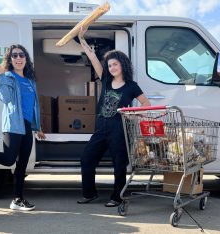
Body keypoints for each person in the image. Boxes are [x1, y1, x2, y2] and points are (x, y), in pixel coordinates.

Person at [77, 28, 151, 207]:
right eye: (109, 65)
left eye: (115, 64)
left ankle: (117, 197)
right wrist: (82, 38)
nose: (111, 68)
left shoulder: (132, 86)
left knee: (119, 165)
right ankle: (90, 194)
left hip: (119, 129)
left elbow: (146, 105)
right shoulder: (106, 80)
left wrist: (131, 113)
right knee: (86, 159)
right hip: (101, 127)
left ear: (122, 65)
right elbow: (93, 58)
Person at [0, 44, 45, 211]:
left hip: (27, 126)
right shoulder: (8, 76)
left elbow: (34, 106)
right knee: (8, 159)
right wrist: (1, 76)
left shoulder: (30, 81)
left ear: (26, 59)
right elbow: (6, 99)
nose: (18, 58)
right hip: (14, 125)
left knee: (22, 165)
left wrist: (38, 127)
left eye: (21, 55)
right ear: (10, 59)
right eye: (14, 55)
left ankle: (17, 199)